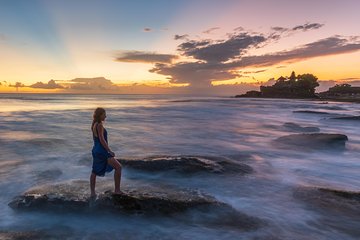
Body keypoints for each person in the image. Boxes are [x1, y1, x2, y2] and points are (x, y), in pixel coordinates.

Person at [90, 107, 122, 197]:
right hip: (101, 150)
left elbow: (95, 140)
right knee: (118, 167)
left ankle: (92, 193)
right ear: (100, 115)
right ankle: (117, 190)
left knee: (94, 171)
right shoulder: (99, 125)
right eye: (104, 114)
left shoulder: (94, 124)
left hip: (95, 150)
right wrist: (109, 151)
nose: (106, 116)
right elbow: (102, 139)